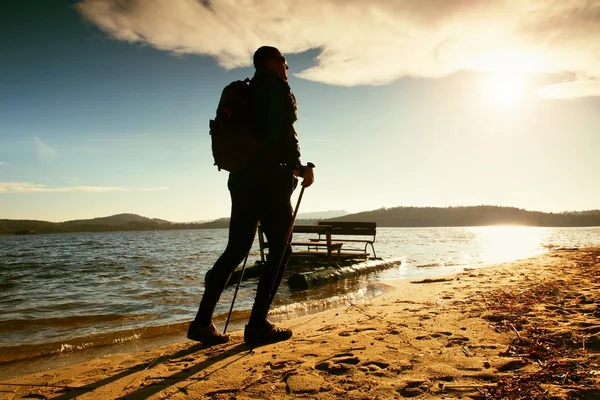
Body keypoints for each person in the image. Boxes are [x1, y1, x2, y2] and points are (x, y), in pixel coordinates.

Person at [187, 46, 314, 347]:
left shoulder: (243, 92)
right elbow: (281, 137)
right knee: (282, 252)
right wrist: (299, 168)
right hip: (269, 181)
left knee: (236, 250)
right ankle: (257, 325)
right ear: (271, 62)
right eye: (285, 61)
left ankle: (202, 323)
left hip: (241, 180)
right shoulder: (277, 89)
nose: (287, 68)